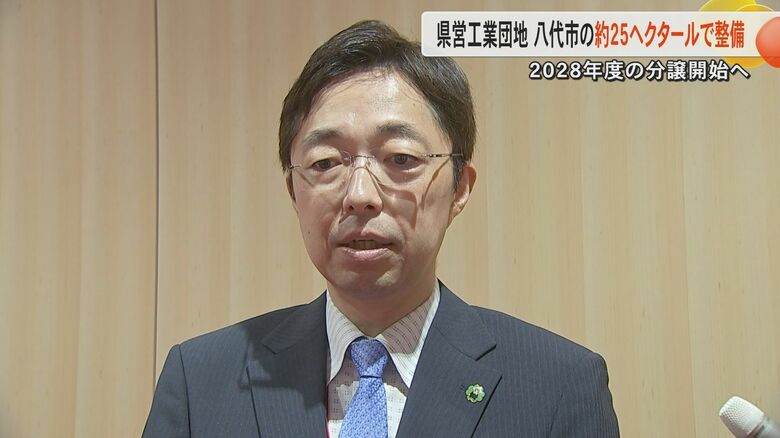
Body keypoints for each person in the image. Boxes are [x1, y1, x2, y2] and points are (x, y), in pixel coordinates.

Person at [143, 20, 620, 437]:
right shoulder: (200, 381)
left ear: (459, 188)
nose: (359, 194)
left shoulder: (559, 385)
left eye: (400, 159)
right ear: (294, 191)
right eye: (325, 162)